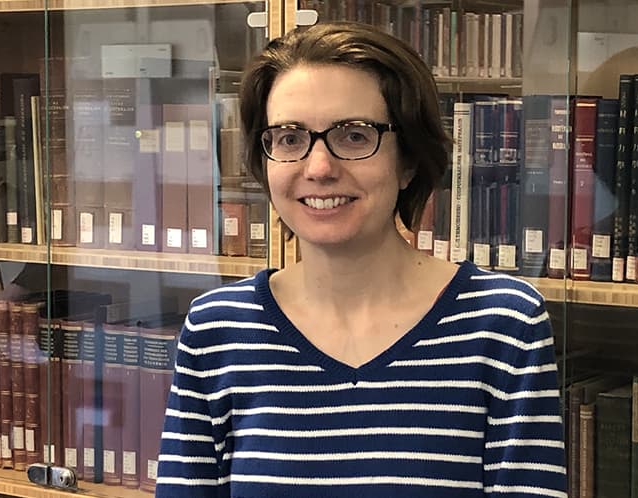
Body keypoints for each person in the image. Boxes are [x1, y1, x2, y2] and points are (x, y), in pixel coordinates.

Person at [156, 21, 566, 498]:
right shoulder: (217, 330)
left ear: (409, 159)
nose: (319, 168)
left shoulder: (503, 323)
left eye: (354, 136)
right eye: (290, 138)